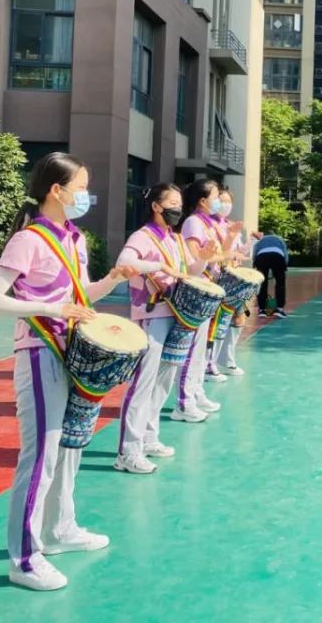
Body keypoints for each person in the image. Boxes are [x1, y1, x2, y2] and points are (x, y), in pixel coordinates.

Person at [0, 152, 151, 591]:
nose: (86, 196)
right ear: (57, 190)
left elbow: (80, 295)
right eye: (81, 188)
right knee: (41, 456)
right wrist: (51, 308)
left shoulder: (75, 238)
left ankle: (58, 529)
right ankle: (24, 559)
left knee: (70, 446)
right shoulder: (29, 240)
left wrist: (112, 280)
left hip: (71, 351)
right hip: (39, 352)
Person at [114, 184, 213, 474]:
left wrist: (203, 257)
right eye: (171, 203)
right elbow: (124, 262)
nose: (177, 208)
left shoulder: (175, 238)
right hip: (151, 313)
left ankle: (148, 437)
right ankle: (128, 451)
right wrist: (159, 266)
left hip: (175, 313)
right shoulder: (142, 236)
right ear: (156, 206)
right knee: (144, 381)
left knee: (164, 380)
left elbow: (190, 270)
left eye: (179, 203)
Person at [176, 179, 232, 420]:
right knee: (192, 349)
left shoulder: (206, 223)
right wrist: (216, 257)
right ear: (202, 200)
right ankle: (184, 402)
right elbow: (194, 257)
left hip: (208, 289)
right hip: (197, 290)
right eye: (216, 196)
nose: (219, 201)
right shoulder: (193, 223)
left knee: (200, 348)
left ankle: (196, 392)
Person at [211, 185, 258, 379]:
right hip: (218, 277)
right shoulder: (210, 226)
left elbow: (240, 252)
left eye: (228, 201)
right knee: (219, 320)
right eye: (221, 201)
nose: (225, 205)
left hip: (234, 279)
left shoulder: (233, 226)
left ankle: (227, 360)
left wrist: (252, 241)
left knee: (239, 317)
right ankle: (210, 363)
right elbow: (220, 253)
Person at [253, 233, 289, 317]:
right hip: (277, 256)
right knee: (280, 283)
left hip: (261, 257)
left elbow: (255, 253)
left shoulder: (260, 241)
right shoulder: (279, 239)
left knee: (262, 284)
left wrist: (255, 264)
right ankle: (279, 309)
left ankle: (262, 310)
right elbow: (285, 252)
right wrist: (284, 265)